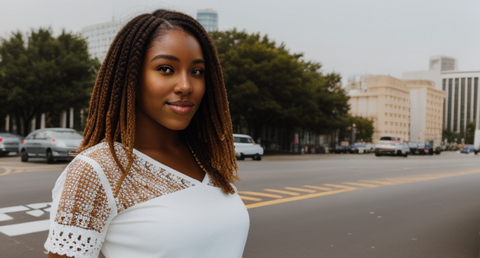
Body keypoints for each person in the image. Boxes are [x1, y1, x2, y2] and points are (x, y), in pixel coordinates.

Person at [44, 9, 250, 258]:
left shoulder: (206, 156)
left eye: (197, 72)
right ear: (131, 78)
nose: (186, 86)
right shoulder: (96, 170)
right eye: (165, 69)